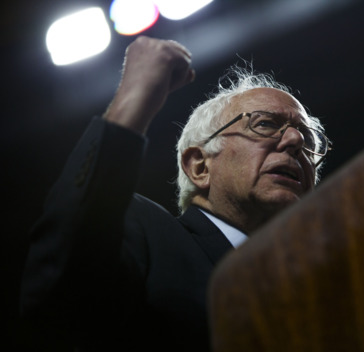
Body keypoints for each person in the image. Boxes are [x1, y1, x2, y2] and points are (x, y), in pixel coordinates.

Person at [20, 36, 330, 351]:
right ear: (199, 167)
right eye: (264, 124)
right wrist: (134, 97)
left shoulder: (333, 282)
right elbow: (59, 283)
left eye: (308, 139)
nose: (294, 140)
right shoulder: (145, 231)